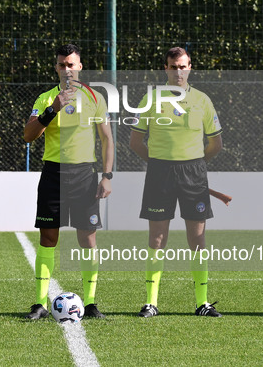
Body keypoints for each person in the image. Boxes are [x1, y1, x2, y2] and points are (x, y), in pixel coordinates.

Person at [130, 47, 223, 318]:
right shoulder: (150, 99)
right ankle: (150, 303)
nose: (178, 71)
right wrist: (159, 162)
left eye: (183, 66)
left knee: (197, 238)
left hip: (194, 173)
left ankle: (202, 303)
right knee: (157, 238)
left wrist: (195, 164)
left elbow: (216, 143)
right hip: (160, 173)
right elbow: (136, 142)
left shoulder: (203, 100)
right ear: (166, 69)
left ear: (190, 67)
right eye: (173, 66)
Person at [23, 44, 114, 319]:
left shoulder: (95, 97)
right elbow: (29, 135)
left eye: (71, 64)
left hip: (86, 175)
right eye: (62, 64)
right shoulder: (45, 99)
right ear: (56, 68)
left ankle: (90, 302)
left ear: (80, 66)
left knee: (88, 237)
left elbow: (107, 139)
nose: (67, 69)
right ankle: (39, 303)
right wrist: (53, 109)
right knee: (48, 238)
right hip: (53, 173)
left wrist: (107, 175)